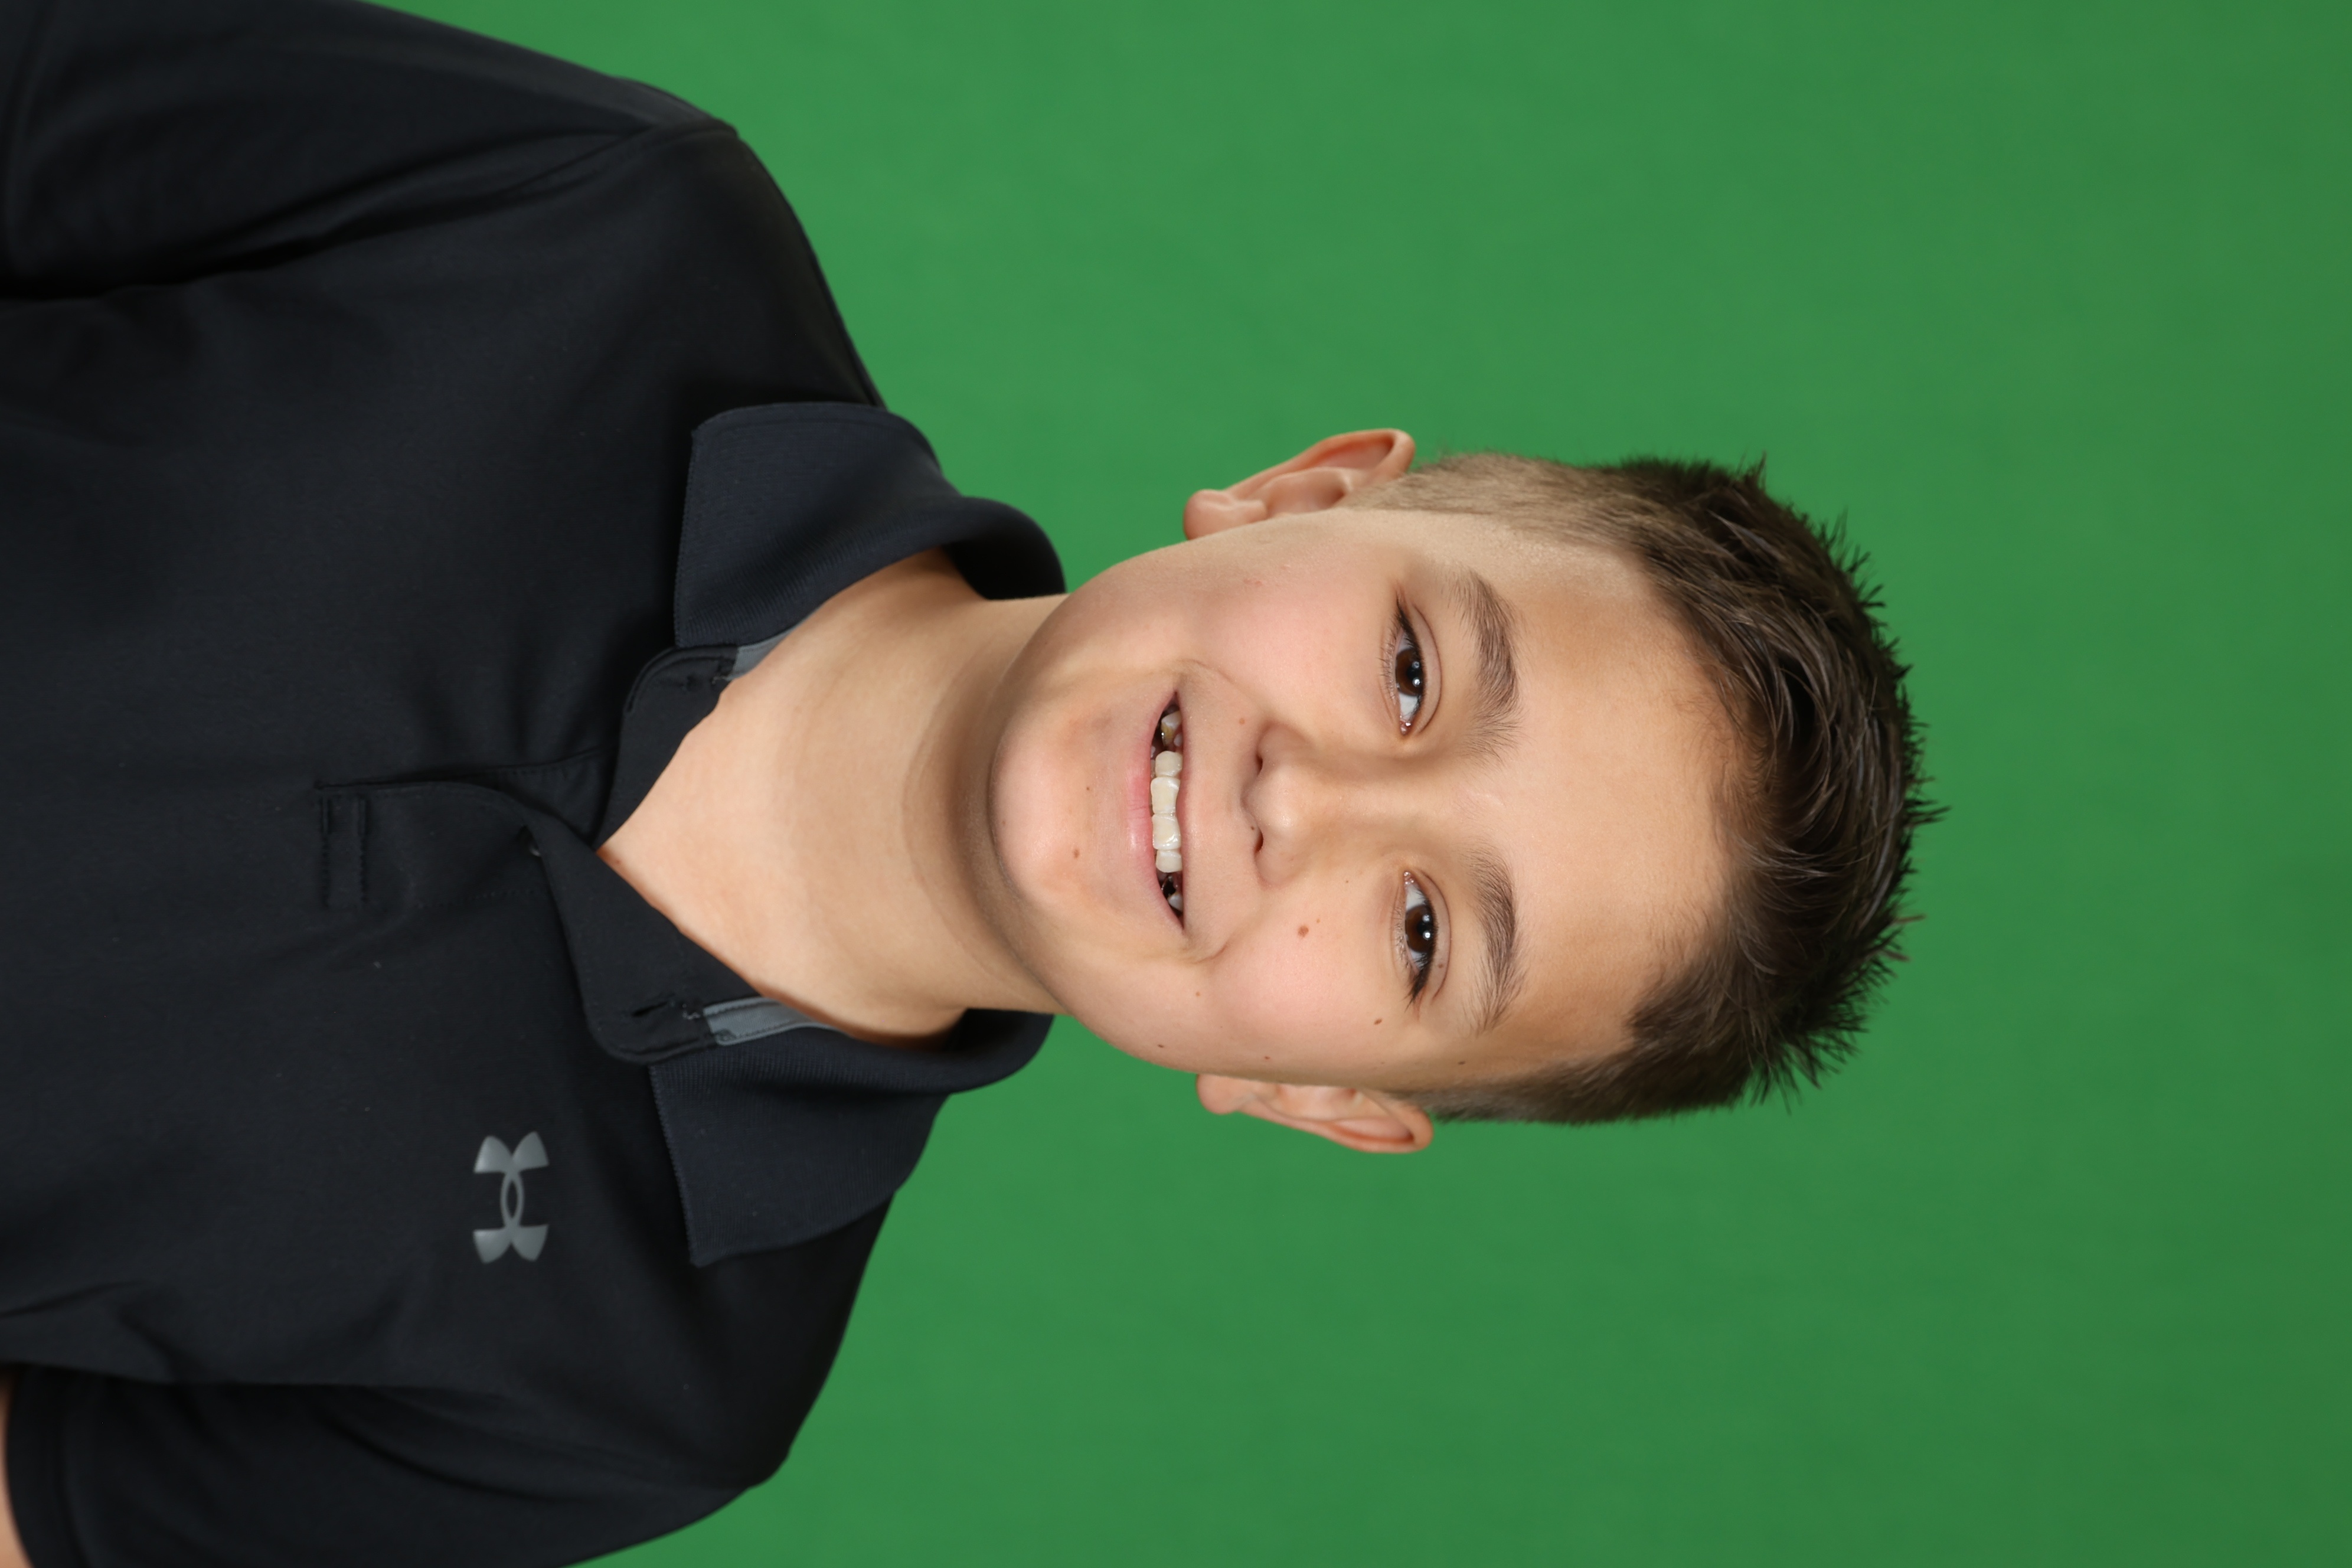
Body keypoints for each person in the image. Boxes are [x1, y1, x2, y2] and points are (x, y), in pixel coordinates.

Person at [0, 0, 1926, 1563]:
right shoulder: (612, 226)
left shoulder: (641, 1397)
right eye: (1415, 671)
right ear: (1307, 494)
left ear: (1321, 1096)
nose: (1307, 804)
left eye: (1424, 931)